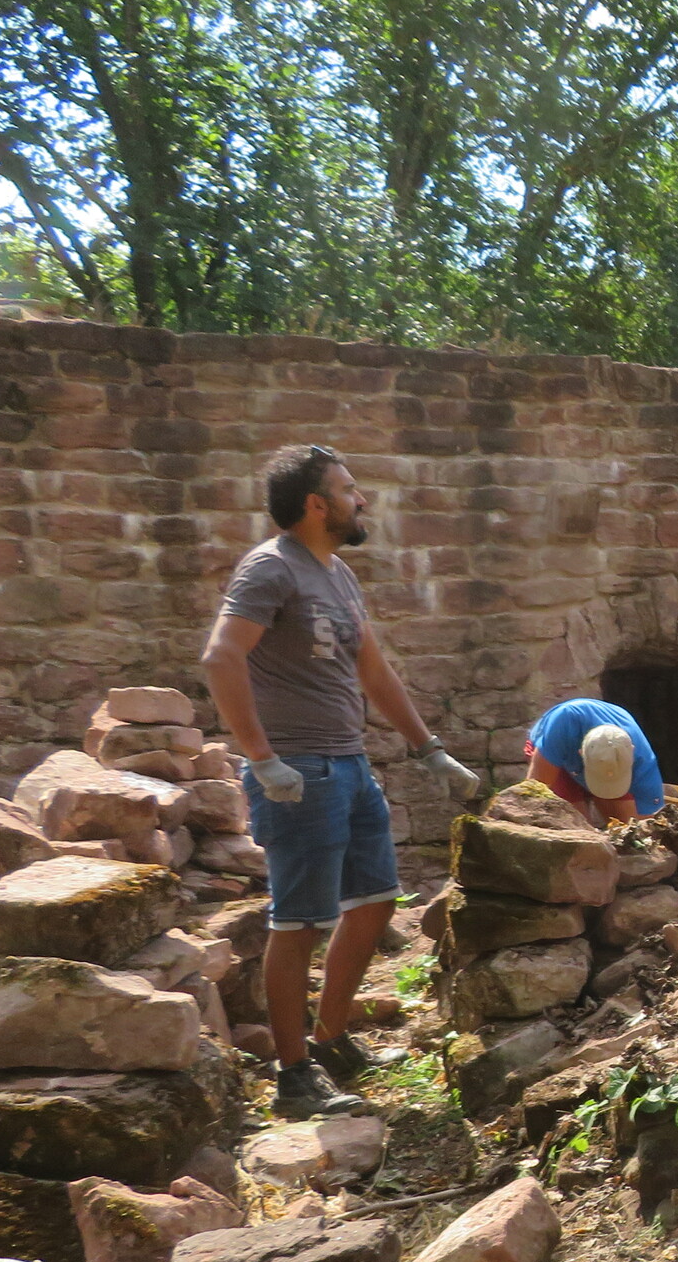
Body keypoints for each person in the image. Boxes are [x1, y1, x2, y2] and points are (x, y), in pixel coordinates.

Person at [201, 444, 484, 1117]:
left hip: (349, 765)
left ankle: (329, 1041)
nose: (363, 500)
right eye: (350, 489)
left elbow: (373, 671)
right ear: (315, 504)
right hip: (298, 771)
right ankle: (294, 1078)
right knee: (299, 922)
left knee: (377, 901)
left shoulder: (339, 575)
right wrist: (261, 758)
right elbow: (221, 657)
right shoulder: (270, 568)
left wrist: (429, 750)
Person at [523, 697, 665, 827]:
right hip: (558, 759)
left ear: (632, 754)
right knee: (575, 830)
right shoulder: (561, 726)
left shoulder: (644, 762)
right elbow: (533, 794)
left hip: (600, 759)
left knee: (629, 828)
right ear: (581, 753)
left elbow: (649, 830)